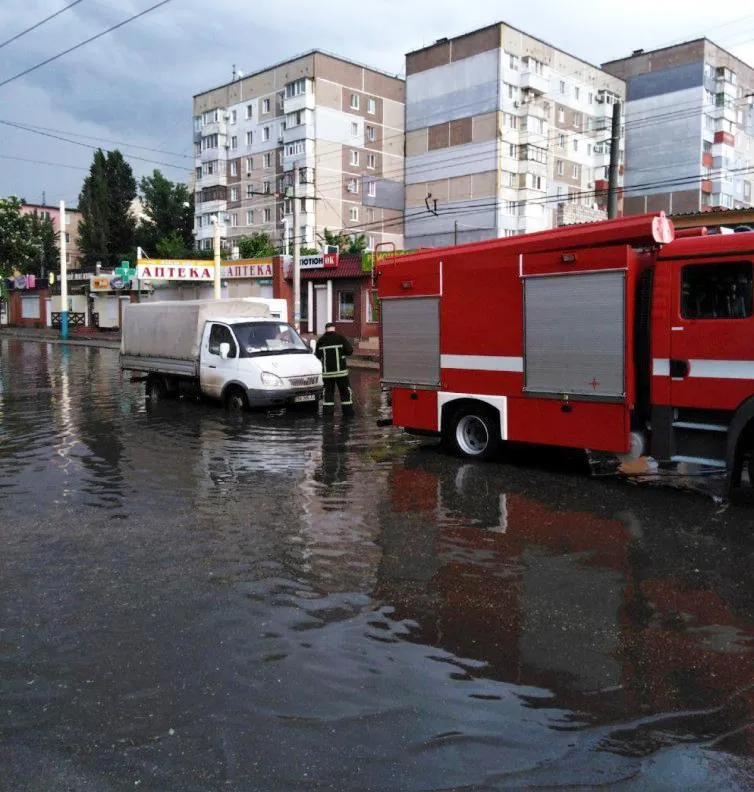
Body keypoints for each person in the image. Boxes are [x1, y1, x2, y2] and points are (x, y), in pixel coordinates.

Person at [315, 322, 354, 416]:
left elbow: (317, 356)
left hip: (327, 374)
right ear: (334, 329)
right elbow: (349, 351)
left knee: (328, 394)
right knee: (345, 393)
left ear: (326, 329)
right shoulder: (340, 338)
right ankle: (348, 414)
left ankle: (328, 416)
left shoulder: (321, 340)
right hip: (341, 372)